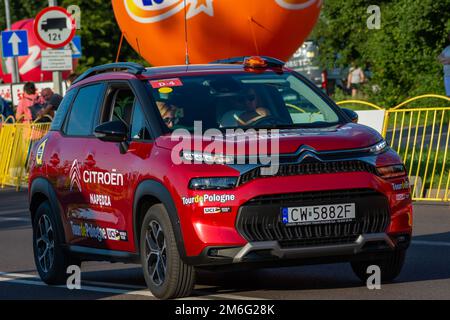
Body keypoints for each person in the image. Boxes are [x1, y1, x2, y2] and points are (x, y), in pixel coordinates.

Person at [438, 31, 450, 97]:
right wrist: (447, 60)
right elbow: (439, 57)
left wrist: (447, 60)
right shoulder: (447, 48)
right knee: (449, 96)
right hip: (447, 76)